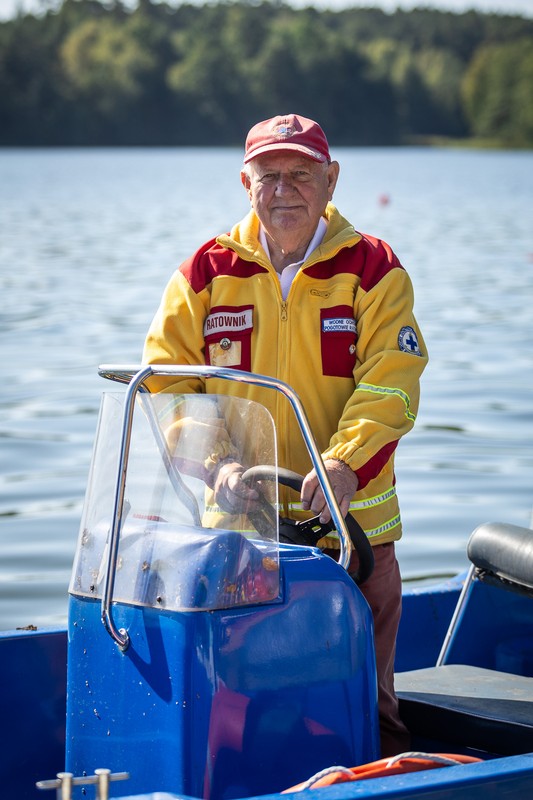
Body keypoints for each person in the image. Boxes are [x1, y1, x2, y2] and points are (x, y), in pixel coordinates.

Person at [142, 113, 428, 756]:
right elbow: (166, 383)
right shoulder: (204, 271)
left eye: (301, 174)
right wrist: (215, 460)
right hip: (239, 531)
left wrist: (346, 466)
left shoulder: (374, 268)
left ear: (331, 181)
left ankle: (379, 775)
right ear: (246, 184)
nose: (284, 189)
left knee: (371, 705)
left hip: (356, 534)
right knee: (234, 704)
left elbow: (393, 384)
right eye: (269, 175)